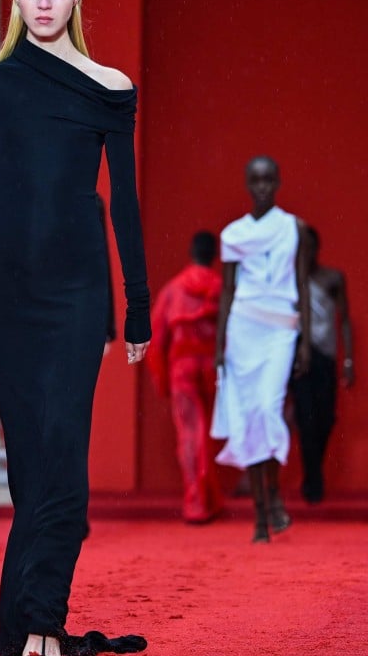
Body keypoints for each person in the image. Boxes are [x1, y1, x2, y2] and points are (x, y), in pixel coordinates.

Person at [0, 0, 151, 656]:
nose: (45, 4)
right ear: (17, 1)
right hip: (10, 290)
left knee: (62, 460)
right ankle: (18, 623)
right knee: (31, 466)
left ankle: (44, 622)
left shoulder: (110, 87)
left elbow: (123, 201)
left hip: (81, 292)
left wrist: (138, 305)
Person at [211, 155, 310, 543]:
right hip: (243, 328)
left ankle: (272, 501)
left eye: (269, 179)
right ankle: (261, 515)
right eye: (256, 181)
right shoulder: (233, 235)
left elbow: (301, 284)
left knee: (268, 408)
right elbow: (228, 291)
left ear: (279, 181)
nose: (263, 187)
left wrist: (303, 341)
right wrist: (219, 346)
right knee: (249, 418)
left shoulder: (293, 228)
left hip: (280, 330)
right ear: (247, 185)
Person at [147, 231, 224, 523]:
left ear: (192, 251)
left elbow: (156, 340)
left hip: (183, 366)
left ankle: (197, 501)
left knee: (191, 432)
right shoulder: (221, 289)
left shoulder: (174, 290)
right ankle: (209, 498)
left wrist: (161, 380)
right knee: (208, 432)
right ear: (214, 254)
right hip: (215, 366)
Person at [289, 226, 354, 503]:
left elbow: (345, 320)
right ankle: (313, 482)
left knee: (326, 418)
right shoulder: (290, 281)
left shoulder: (332, 278)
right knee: (306, 418)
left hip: (326, 356)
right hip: (300, 356)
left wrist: (348, 360)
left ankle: (313, 474)